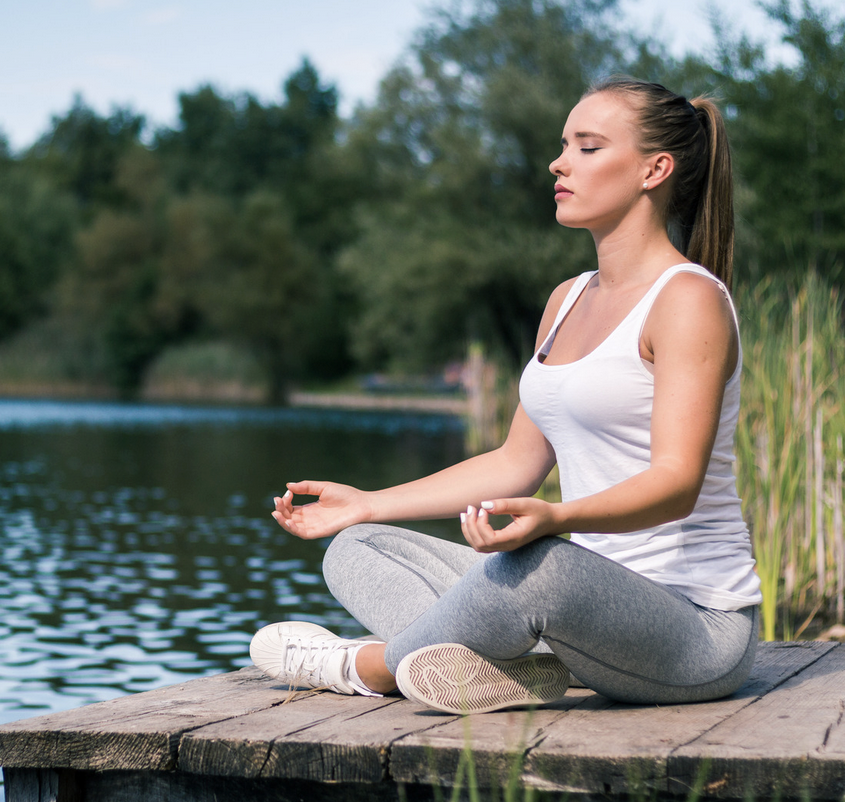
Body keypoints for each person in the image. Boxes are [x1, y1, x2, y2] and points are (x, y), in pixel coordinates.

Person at [248, 78, 762, 715]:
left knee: (543, 565)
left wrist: (558, 518)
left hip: (694, 633)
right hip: (581, 618)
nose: (559, 162)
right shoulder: (567, 299)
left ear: (654, 170)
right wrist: (369, 503)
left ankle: (365, 665)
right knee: (362, 546)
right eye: (563, 145)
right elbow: (514, 462)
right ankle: (510, 662)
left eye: (588, 146)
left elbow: (676, 482)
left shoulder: (688, 300)